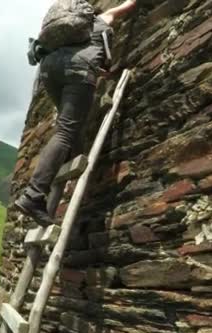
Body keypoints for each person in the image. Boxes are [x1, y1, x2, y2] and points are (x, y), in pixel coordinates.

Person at [15, 0, 137, 226]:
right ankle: (33, 195)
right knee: (65, 132)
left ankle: (71, 156)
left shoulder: (62, 35)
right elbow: (126, 6)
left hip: (50, 70)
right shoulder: (100, 21)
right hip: (78, 71)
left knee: (67, 128)